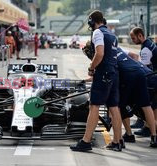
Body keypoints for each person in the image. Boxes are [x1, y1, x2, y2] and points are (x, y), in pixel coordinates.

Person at [70, 10, 122, 152]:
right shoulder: (111, 34)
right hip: (114, 72)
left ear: (92, 21)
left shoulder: (98, 33)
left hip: (103, 73)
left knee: (94, 106)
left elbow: (99, 53)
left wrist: (91, 67)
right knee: (114, 107)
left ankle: (86, 141)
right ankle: (117, 141)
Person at [116, 47, 157, 147]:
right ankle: (154, 137)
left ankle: (128, 134)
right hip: (140, 71)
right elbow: (134, 56)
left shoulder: (102, 52)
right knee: (146, 105)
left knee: (120, 105)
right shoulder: (117, 47)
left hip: (128, 75)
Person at [130, 27, 157, 136]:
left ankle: (148, 126)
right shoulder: (150, 44)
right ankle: (147, 125)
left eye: (133, 38)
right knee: (154, 105)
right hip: (155, 77)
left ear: (140, 35)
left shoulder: (146, 49)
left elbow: (144, 70)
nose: (132, 40)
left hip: (153, 78)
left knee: (150, 104)